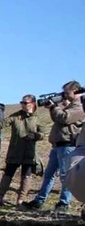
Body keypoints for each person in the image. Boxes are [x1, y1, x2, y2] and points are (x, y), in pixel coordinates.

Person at [23, 81, 85, 212]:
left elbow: (64, 118)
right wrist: (54, 107)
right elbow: (58, 119)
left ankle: (64, 203)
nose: (64, 95)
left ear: (76, 92)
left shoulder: (80, 106)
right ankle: (39, 200)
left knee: (65, 175)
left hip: (68, 145)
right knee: (49, 174)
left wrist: (54, 107)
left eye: (67, 92)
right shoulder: (68, 105)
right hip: (58, 145)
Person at [0, 94, 44, 206]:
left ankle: (20, 201)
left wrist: (36, 136)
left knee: (26, 176)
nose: (23, 105)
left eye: (25, 103)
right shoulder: (16, 116)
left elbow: (43, 133)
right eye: (21, 102)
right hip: (15, 150)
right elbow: (1, 123)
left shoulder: (38, 117)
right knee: (8, 174)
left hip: (29, 152)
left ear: (33, 104)